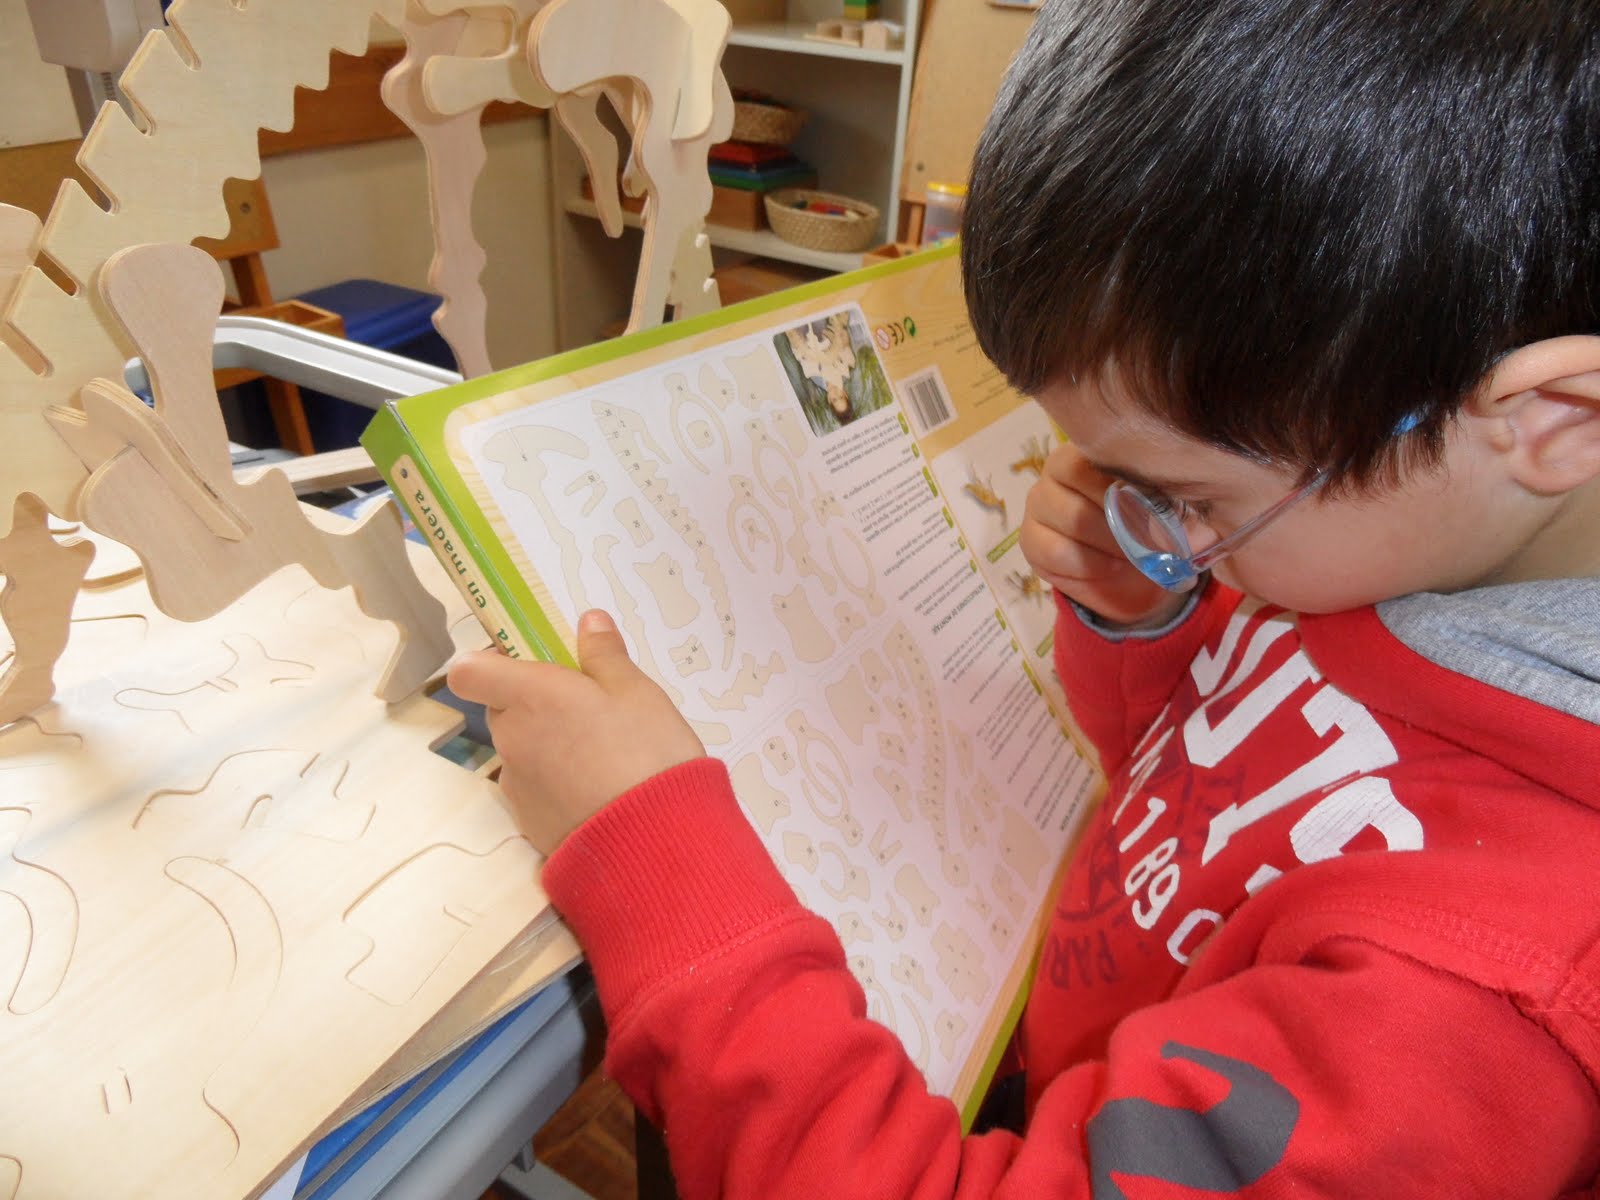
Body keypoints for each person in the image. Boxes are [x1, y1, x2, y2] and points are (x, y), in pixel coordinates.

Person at [449, 0, 1600, 1194]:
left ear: (1548, 421)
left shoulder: (1482, 997)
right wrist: (1146, 622)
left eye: (1191, 498)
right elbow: (1204, 772)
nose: (1152, 523)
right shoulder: (1415, 541)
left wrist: (658, 867)